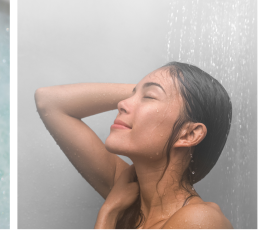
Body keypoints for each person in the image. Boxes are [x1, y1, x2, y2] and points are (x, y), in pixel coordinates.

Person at [34, 62, 232, 229]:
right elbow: (48, 101)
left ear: (189, 134)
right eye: (131, 95)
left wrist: (108, 213)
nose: (121, 103)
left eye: (149, 97)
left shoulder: (200, 221)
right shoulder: (128, 192)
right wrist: (148, 89)